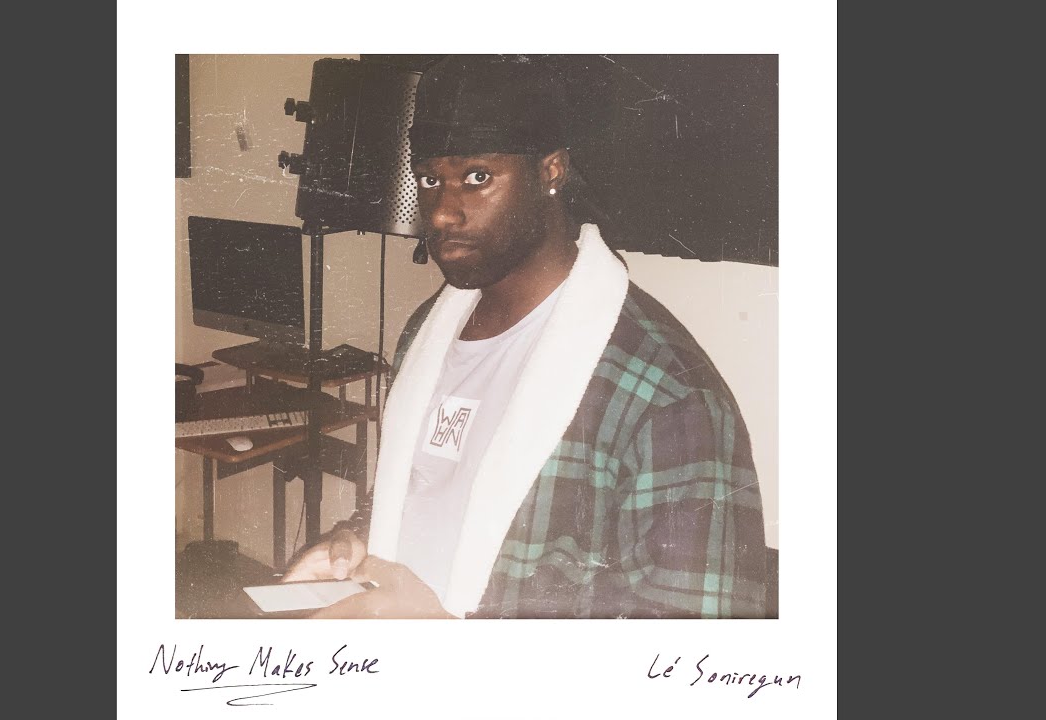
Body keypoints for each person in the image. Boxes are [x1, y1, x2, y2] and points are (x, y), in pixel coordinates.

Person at [282, 55, 767, 619]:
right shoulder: (427, 331)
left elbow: (698, 639)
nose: (441, 214)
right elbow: (423, 483)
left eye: (477, 177)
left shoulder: (666, 396)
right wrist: (354, 541)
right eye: (431, 179)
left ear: (551, 172)